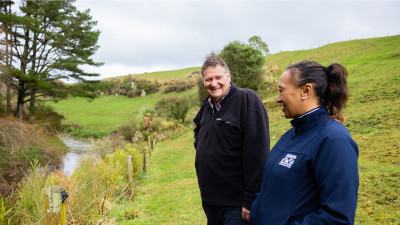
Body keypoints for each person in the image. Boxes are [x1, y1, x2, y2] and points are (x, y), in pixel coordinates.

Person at [250, 60, 359, 224]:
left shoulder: (334, 139)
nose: (278, 99)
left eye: (281, 91)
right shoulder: (291, 134)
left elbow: (337, 218)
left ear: (306, 91)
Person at [193, 54, 270, 225]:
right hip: (210, 201)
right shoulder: (207, 106)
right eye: (208, 79)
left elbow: (259, 154)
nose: (213, 84)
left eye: (218, 77)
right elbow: (198, 130)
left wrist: (250, 200)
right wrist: (200, 146)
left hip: (236, 205)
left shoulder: (247, 100)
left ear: (228, 76)